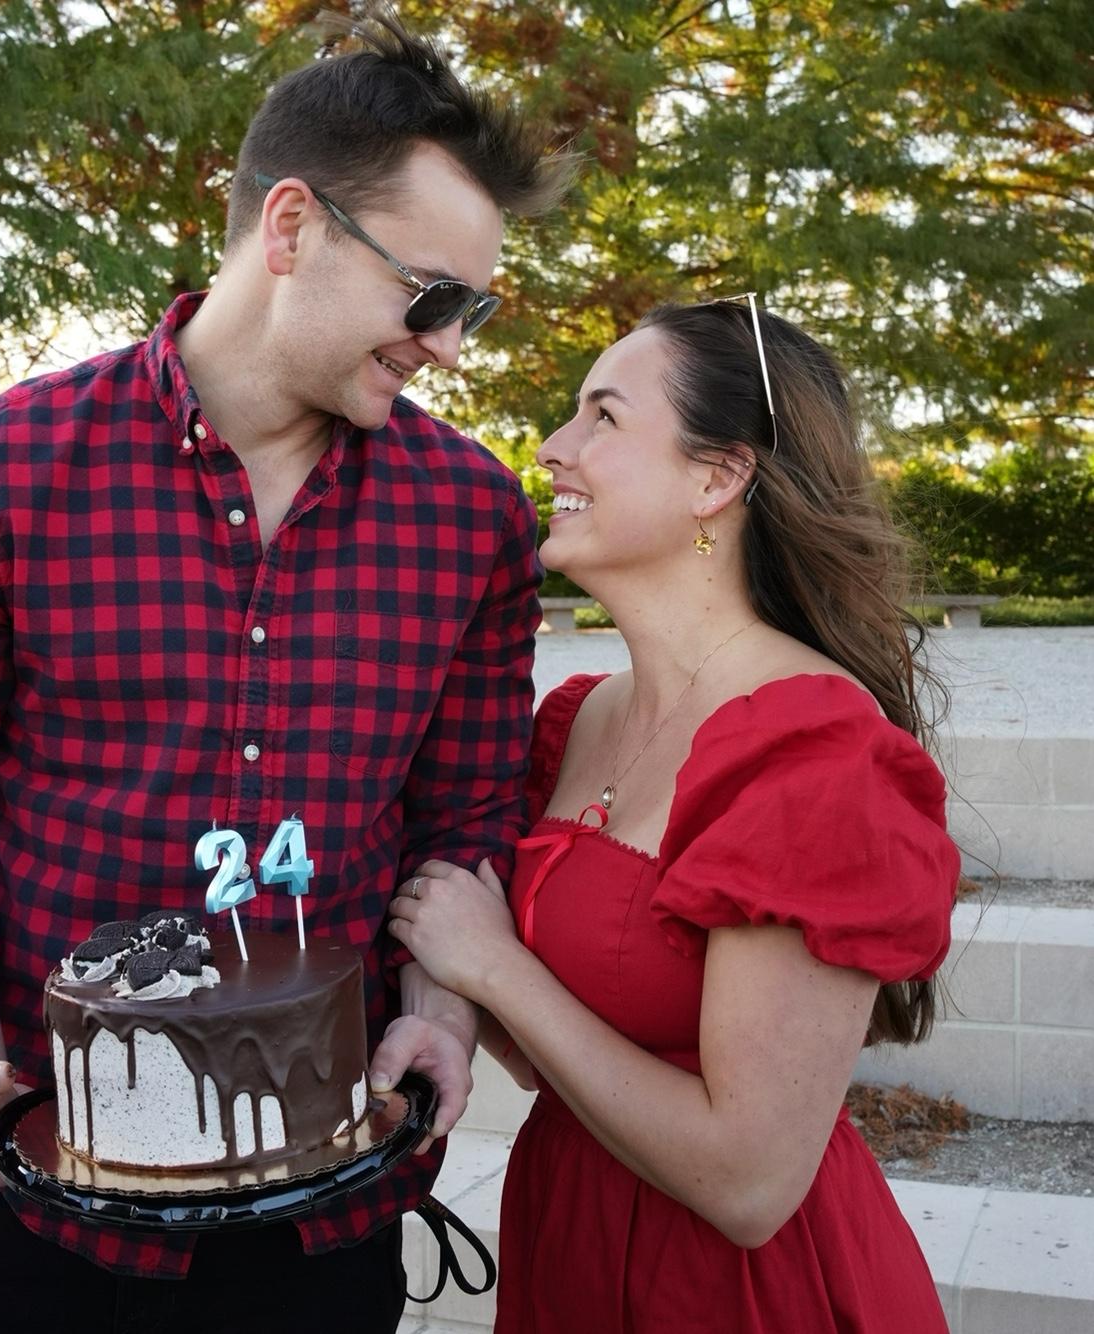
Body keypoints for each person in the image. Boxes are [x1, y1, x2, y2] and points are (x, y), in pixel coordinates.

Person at [0, 10, 574, 1332]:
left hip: (321, 1217)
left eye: (476, 306)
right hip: (23, 1197)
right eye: (431, 296)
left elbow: (462, 822)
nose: (450, 346)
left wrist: (443, 1025)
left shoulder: (471, 519)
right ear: (290, 227)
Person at [389, 297, 960, 1333]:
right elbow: (563, 1034)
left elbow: (748, 1182)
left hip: (734, 1294)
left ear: (716, 476)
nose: (554, 448)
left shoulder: (813, 749)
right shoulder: (573, 723)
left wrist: (493, 965)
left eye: (601, 417)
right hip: (570, 1241)